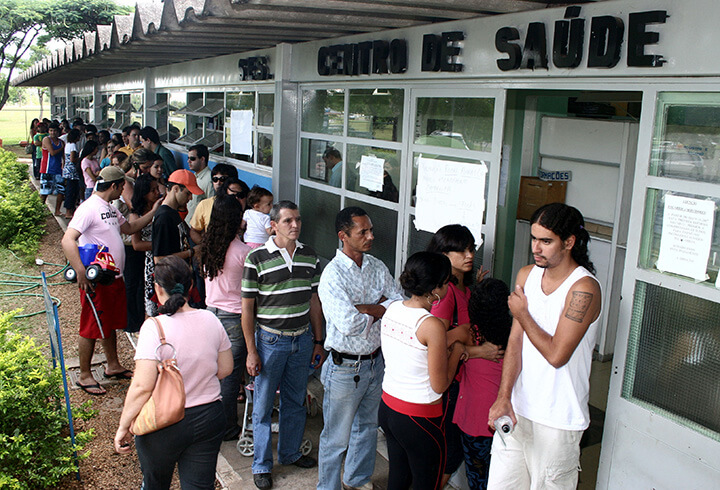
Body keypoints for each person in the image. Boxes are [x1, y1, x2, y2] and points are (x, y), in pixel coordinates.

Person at [487, 203, 602, 490]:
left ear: (569, 242)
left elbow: (556, 355)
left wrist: (522, 314)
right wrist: (504, 396)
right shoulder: (527, 275)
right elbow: (515, 341)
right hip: (518, 408)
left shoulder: (583, 289)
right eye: (534, 238)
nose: (536, 248)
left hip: (558, 419)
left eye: (546, 241)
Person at [114, 255, 233, 489]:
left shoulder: (153, 328)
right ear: (191, 285)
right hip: (209, 417)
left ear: (158, 288)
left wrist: (123, 426)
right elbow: (226, 368)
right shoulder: (210, 319)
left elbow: (142, 386)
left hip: (163, 422)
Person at [317, 206, 403, 490]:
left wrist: (367, 308)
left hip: (376, 362)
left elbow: (399, 302)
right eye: (362, 232)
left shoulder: (376, 266)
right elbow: (348, 323)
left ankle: (357, 478)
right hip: (344, 368)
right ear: (343, 236)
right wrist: (380, 307)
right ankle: (328, 487)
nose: (370, 237)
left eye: (371, 230)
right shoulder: (333, 275)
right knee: (336, 438)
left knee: (367, 428)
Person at [241, 200, 325, 490]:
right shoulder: (256, 259)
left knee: (295, 400)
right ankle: (262, 465)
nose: (295, 225)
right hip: (270, 341)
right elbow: (247, 310)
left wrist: (318, 341)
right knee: (263, 406)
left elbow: (314, 301)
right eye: (288, 220)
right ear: (273, 225)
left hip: (302, 339)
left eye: (298, 219)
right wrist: (251, 351)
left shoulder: (309, 256)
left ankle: (289, 453)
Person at [61, 166, 161, 395]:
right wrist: (80, 270)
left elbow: (129, 228)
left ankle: (113, 364)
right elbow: (68, 240)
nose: (123, 191)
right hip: (96, 280)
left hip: (113, 277)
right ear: (115, 186)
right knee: (91, 324)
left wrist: (154, 212)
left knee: (108, 322)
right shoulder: (89, 208)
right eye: (122, 187)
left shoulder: (110, 208)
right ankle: (85, 375)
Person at [379, 251, 468, 490]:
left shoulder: (392, 309)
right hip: (419, 418)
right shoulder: (431, 325)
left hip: (388, 408)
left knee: (398, 479)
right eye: (447, 281)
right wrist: (458, 352)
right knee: (426, 483)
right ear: (436, 289)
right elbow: (439, 385)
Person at [426, 224, 503, 486]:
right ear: (443, 255)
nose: (469, 255)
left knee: (454, 452)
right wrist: (476, 351)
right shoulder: (446, 294)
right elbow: (436, 344)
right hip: (449, 385)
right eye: (461, 251)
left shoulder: (464, 290)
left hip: (464, 384)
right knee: (449, 453)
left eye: (471, 249)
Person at [200, 195, 252, 440]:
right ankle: (227, 428)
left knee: (214, 374)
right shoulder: (244, 252)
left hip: (210, 315)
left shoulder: (207, 247)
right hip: (235, 319)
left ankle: (210, 422)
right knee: (230, 378)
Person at [454, 278, 512, 489]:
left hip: (475, 418)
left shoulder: (471, 334)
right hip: (507, 418)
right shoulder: (515, 335)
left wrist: (471, 351)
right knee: (504, 477)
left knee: (478, 476)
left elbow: (440, 347)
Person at [129, 174, 162, 324]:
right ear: (143, 193)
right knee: (149, 301)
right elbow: (137, 244)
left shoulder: (162, 207)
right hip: (147, 262)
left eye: (157, 189)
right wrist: (161, 245)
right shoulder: (136, 214)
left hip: (162, 260)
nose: (157, 193)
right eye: (152, 190)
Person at [152, 169, 203, 266]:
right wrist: (191, 252)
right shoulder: (164, 217)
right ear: (175, 189)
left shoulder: (173, 212)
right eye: (188, 193)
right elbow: (159, 259)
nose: (191, 198)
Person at [189, 163, 240, 242]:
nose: (218, 183)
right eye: (215, 179)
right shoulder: (204, 204)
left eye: (222, 179)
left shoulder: (240, 202)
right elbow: (194, 231)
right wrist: (204, 246)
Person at [40, 122, 65, 216]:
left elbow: (63, 157)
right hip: (47, 169)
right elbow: (52, 152)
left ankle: (57, 210)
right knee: (45, 191)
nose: (53, 133)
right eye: (51, 131)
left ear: (58, 132)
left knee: (61, 190)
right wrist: (61, 148)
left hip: (58, 169)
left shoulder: (61, 142)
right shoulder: (46, 139)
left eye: (54, 131)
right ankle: (39, 209)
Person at [185, 144, 214, 224]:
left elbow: (211, 207)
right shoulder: (194, 176)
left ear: (202, 159)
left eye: (192, 159)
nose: (188, 161)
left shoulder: (209, 180)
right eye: (188, 158)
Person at [62, 129, 82, 219]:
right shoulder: (73, 146)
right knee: (71, 191)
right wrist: (80, 158)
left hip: (67, 170)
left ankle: (70, 210)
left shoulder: (68, 145)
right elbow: (72, 159)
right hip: (72, 171)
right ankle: (69, 211)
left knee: (69, 190)